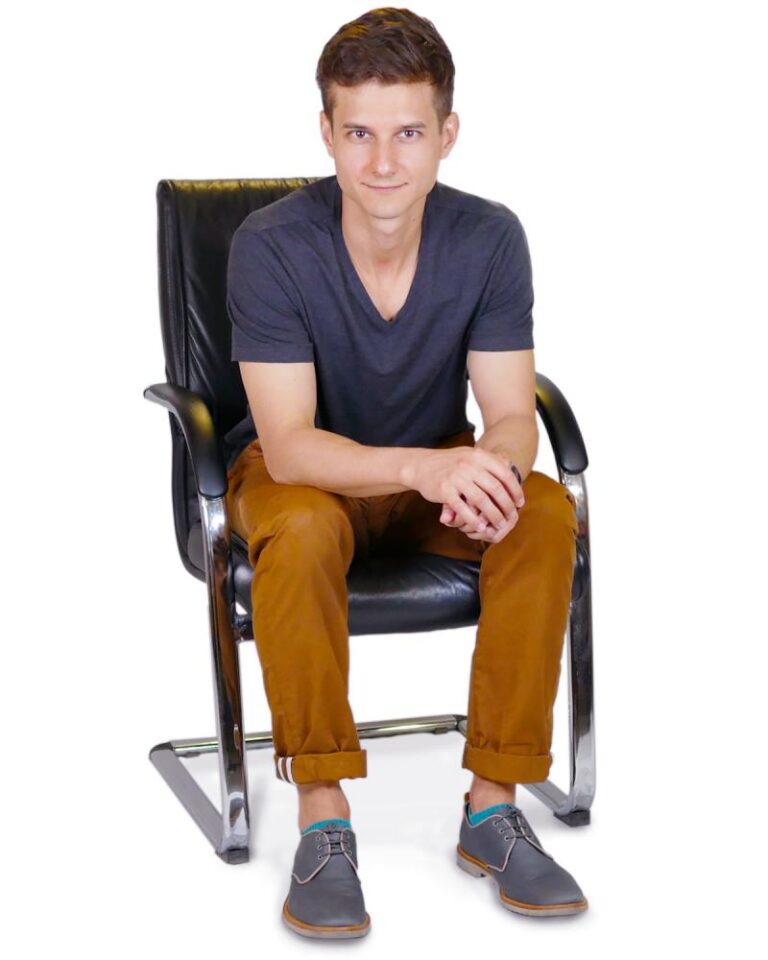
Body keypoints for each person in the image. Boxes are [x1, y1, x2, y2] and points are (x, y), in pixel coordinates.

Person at [223, 6, 588, 940]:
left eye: (409, 133)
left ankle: (493, 807)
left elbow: (512, 414)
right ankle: (323, 816)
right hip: (307, 479)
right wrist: (430, 468)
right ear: (326, 132)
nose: (384, 161)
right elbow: (291, 444)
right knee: (303, 525)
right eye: (359, 133)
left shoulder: (490, 238)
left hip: (434, 472)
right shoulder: (271, 243)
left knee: (543, 511)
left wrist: (492, 473)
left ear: (447, 133)